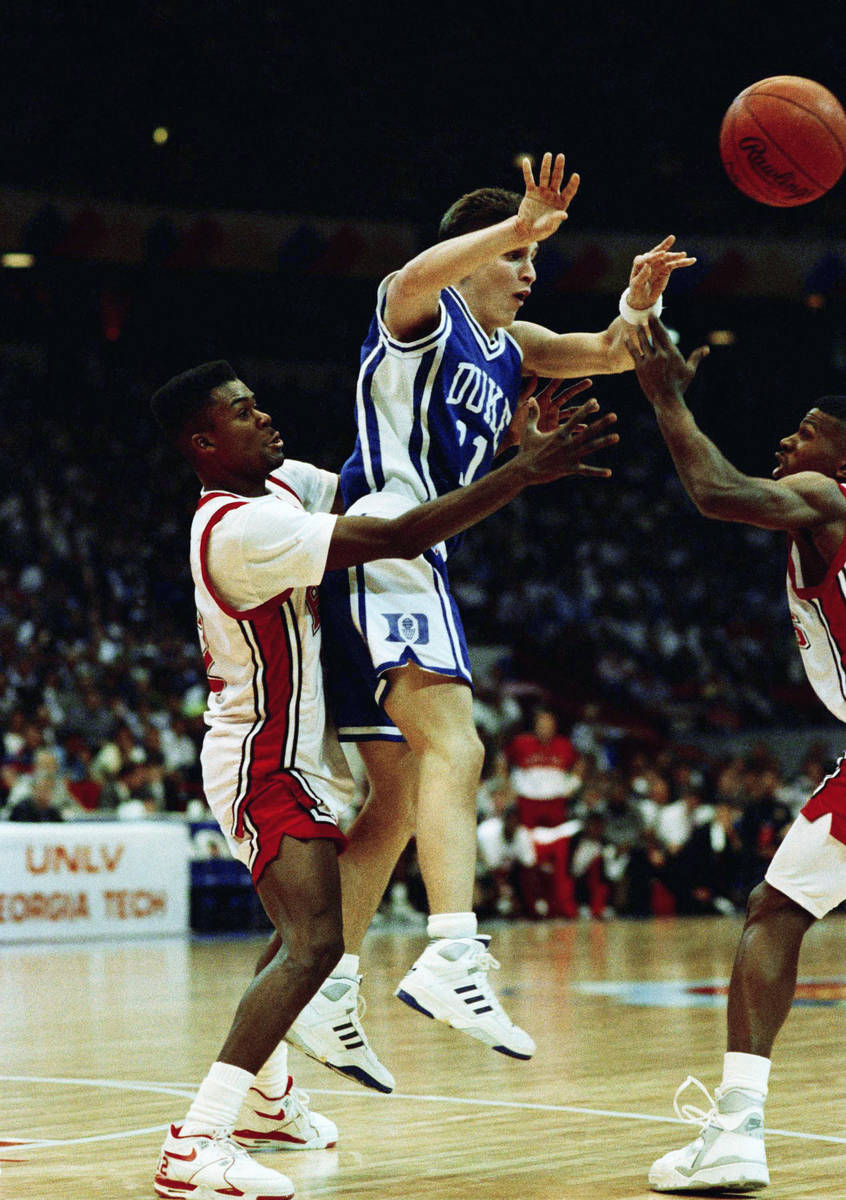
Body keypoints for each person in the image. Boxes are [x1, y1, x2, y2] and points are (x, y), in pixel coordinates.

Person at [148, 359, 618, 1200]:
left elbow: (389, 489)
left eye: (261, 406)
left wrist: (493, 445)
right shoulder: (238, 529)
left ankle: (265, 1102)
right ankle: (195, 1143)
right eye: (245, 414)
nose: (267, 420)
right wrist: (524, 473)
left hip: (291, 754)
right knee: (317, 944)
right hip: (261, 760)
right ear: (203, 442)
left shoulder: (279, 487)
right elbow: (402, 536)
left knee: (302, 934)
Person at [320, 151, 695, 1058]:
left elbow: (611, 352)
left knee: (401, 799)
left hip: (403, 560)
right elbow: (411, 274)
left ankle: (319, 984)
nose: (529, 274)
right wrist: (516, 222)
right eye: (516, 259)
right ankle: (451, 951)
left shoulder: (513, 349)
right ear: (473, 250)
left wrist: (640, 300)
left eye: (532, 259)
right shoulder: (422, 310)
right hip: (384, 537)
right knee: (461, 744)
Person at [628, 313, 846, 1193]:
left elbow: (715, 490)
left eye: (809, 432)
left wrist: (667, 395)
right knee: (776, 905)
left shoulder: (828, 500)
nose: (787, 439)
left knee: (776, 910)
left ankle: (737, 1132)